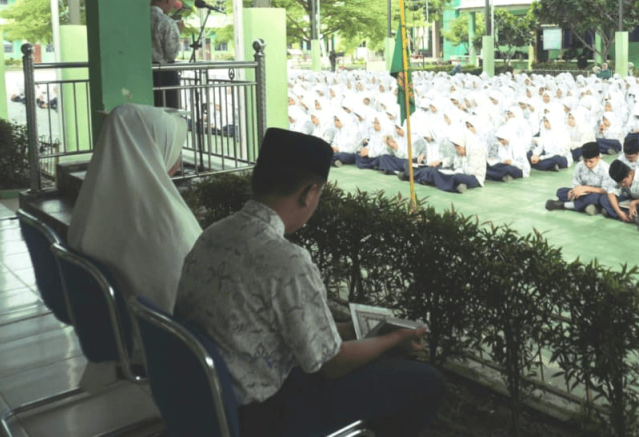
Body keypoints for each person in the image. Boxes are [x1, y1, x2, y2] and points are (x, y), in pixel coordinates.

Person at [175, 129, 443, 437]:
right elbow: (330, 364)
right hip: (266, 414)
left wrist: (361, 328)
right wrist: (391, 341)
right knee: (425, 382)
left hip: (214, 396)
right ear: (309, 193)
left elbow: (292, 329)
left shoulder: (215, 233)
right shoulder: (286, 260)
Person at [68, 103, 201, 314]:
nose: (178, 158)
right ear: (155, 150)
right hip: (163, 338)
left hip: (110, 331)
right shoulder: (164, 224)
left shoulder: (90, 206)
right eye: (175, 148)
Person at [545, 142, 617, 216]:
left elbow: (605, 190)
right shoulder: (580, 165)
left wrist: (586, 188)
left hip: (598, 193)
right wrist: (574, 191)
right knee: (560, 191)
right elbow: (576, 182)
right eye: (585, 161)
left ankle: (564, 205)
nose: (588, 164)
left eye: (591, 162)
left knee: (597, 197)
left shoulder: (606, 169)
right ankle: (590, 206)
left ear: (598, 158)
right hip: (582, 193)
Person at [150, 0, 183, 109]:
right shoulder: (167, 22)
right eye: (173, 0)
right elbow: (171, 54)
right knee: (167, 112)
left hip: (143, 73)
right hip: (164, 74)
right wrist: (178, 33)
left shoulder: (138, 18)